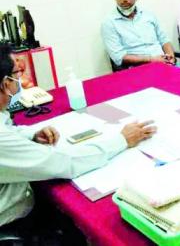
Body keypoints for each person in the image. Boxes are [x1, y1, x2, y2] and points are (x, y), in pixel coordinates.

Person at [0, 43, 157, 229]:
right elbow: (63, 163)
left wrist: (30, 133)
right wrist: (122, 140)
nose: (21, 81)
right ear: (4, 83)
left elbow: (8, 129)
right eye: (17, 75)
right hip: (12, 219)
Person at [101, 0, 175, 68]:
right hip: (138, 68)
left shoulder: (149, 15)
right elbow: (119, 57)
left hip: (164, 63)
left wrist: (171, 57)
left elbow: (164, 40)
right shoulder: (109, 23)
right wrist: (152, 59)